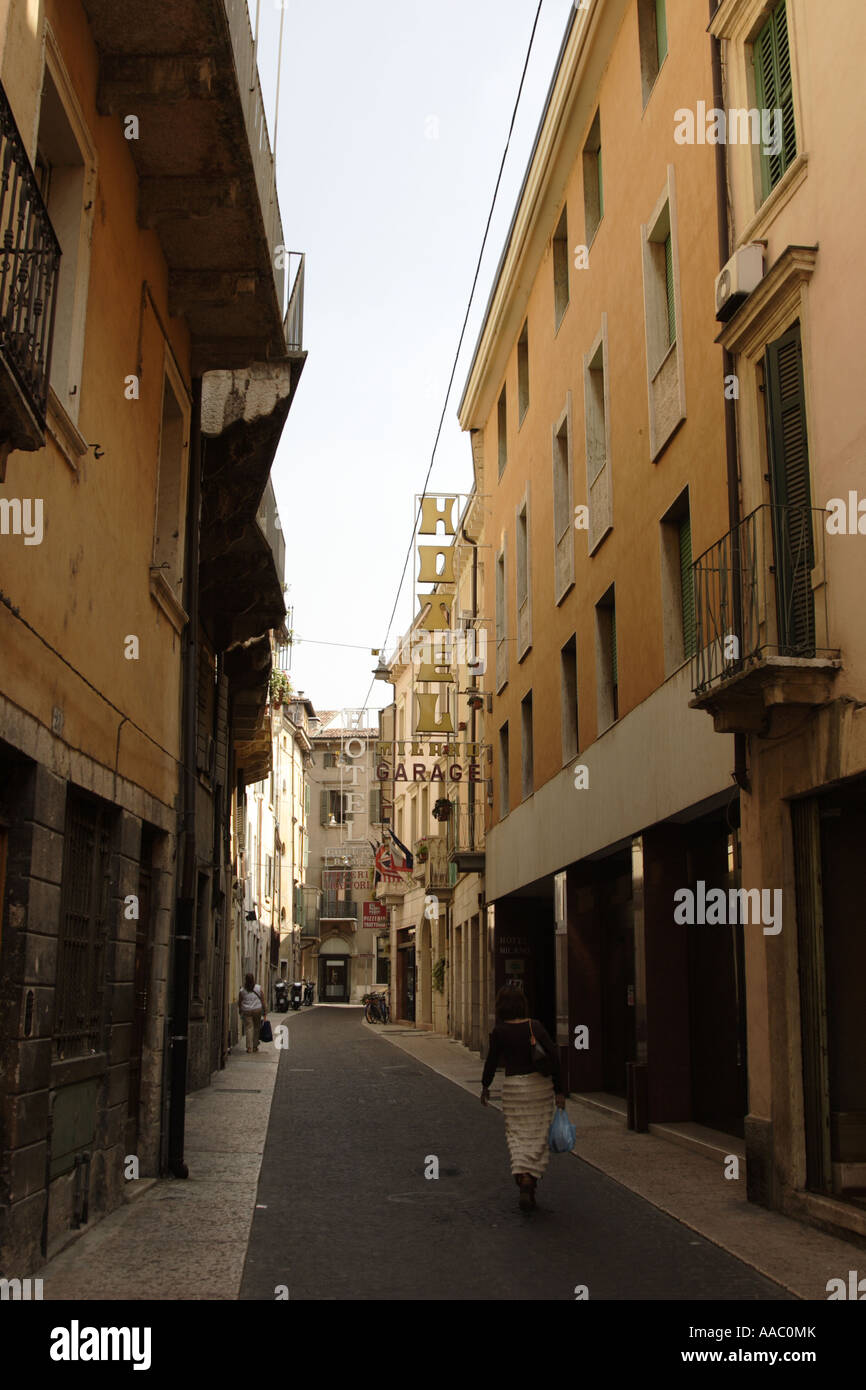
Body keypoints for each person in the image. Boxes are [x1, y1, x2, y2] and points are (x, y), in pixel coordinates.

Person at [481, 985, 566, 1211]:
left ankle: (523, 1175)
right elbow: (554, 1056)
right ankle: (531, 1178)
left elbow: (491, 1062)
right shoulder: (534, 1026)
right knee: (537, 1135)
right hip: (539, 1088)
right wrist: (559, 1090)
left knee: (517, 1135)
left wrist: (485, 1086)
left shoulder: (500, 1031)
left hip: (514, 1089)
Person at [239, 973, 267, 1052]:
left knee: (249, 1028)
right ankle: (255, 1046)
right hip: (257, 1010)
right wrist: (264, 1010)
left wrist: (240, 1009)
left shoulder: (242, 990)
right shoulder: (258, 988)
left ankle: (249, 1047)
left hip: (247, 1011)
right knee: (256, 1028)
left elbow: (240, 1001)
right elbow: (262, 999)